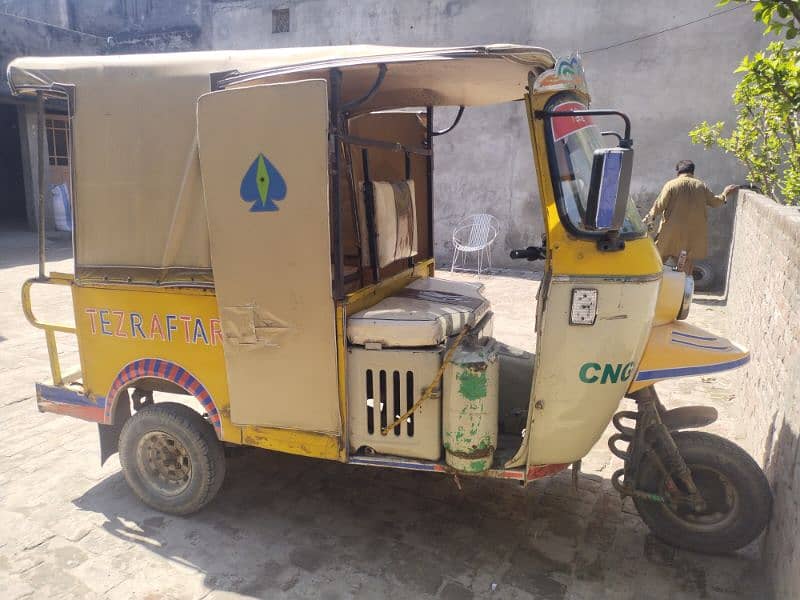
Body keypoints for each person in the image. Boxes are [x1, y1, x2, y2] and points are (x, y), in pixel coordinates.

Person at [644, 160, 738, 275]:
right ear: (692, 172)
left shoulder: (671, 185)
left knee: (655, 265)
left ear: (678, 172)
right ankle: (682, 291)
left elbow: (658, 206)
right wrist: (725, 194)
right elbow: (715, 202)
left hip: (669, 236)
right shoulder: (701, 186)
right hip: (690, 239)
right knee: (684, 272)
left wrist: (647, 220)